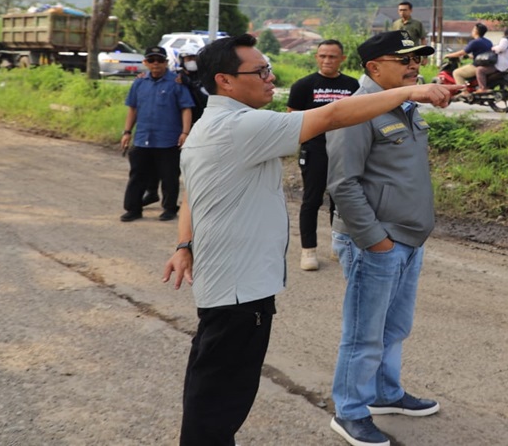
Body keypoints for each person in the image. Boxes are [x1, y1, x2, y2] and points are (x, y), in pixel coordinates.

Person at [161, 33, 456, 445]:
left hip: (237, 285)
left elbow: (192, 189)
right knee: (220, 397)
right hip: (238, 291)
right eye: (261, 70)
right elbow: (332, 119)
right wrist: (417, 90)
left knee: (215, 389)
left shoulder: (216, 126)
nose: (271, 76)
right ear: (225, 81)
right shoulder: (240, 125)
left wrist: (183, 244)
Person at [326, 31, 446, 446]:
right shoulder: (355, 111)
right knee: (364, 332)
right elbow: (343, 184)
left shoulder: (403, 105)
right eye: (405, 59)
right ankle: (350, 411)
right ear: (374, 67)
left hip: (408, 238)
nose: (415, 66)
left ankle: (384, 393)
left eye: (417, 60)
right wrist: (375, 240)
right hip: (376, 242)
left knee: (394, 327)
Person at [286, 40, 359, 271]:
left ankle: (339, 245)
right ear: (316, 57)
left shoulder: (352, 86)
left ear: (342, 59)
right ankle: (308, 251)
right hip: (315, 149)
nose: (327, 60)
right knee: (312, 199)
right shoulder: (303, 86)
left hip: (345, 150)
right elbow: (293, 121)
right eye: (323, 56)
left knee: (342, 199)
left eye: (333, 57)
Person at [119, 46, 194, 222]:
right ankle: (133, 209)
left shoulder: (176, 82)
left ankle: (169, 209)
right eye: (151, 60)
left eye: (160, 60)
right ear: (145, 63)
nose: (156, 64)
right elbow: (133, 109)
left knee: (169, 176)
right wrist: (127, 132)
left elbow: (186, 108)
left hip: (168, 139)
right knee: (137, 175)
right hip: (143, 137)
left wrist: (185, 132)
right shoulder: (139, 82)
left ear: (166, 63)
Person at [473, 25, 508, 94]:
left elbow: (500, 49)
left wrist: (493, 48)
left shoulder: (505, 40)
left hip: (502, 66)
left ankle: (482, 88)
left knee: (479, 70)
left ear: (506, 33)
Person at [444, 22, 492, 86]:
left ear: (476, 31)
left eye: (473, 30)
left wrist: (448, 55)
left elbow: (462, 52)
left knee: (456, 73)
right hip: (488, 65)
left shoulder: (475, 42)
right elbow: (482, 55)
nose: (472, 31)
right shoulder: (488, 42)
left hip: (477, 66)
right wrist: (469, 56)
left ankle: (464, 92)